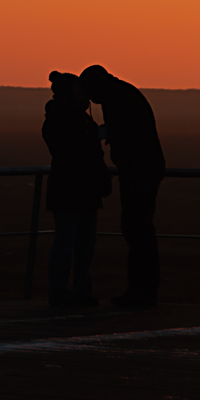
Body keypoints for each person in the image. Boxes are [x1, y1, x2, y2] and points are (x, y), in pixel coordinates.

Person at [78, 65, 165, 307]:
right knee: (138, 228)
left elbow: (125, 135)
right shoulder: (122, 94)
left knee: (137, 228)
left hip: (139, 170)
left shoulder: (116, 99)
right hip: (142, 169)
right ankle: (142, 289)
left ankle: (142, 290)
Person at [42, 71, 112, 306]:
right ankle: (64, 292)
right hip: (72, 187)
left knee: (80, 242)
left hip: (78, 187)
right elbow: (71, 150)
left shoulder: (76, 120)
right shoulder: (63, 120)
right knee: (70, 242)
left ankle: (76, 290)